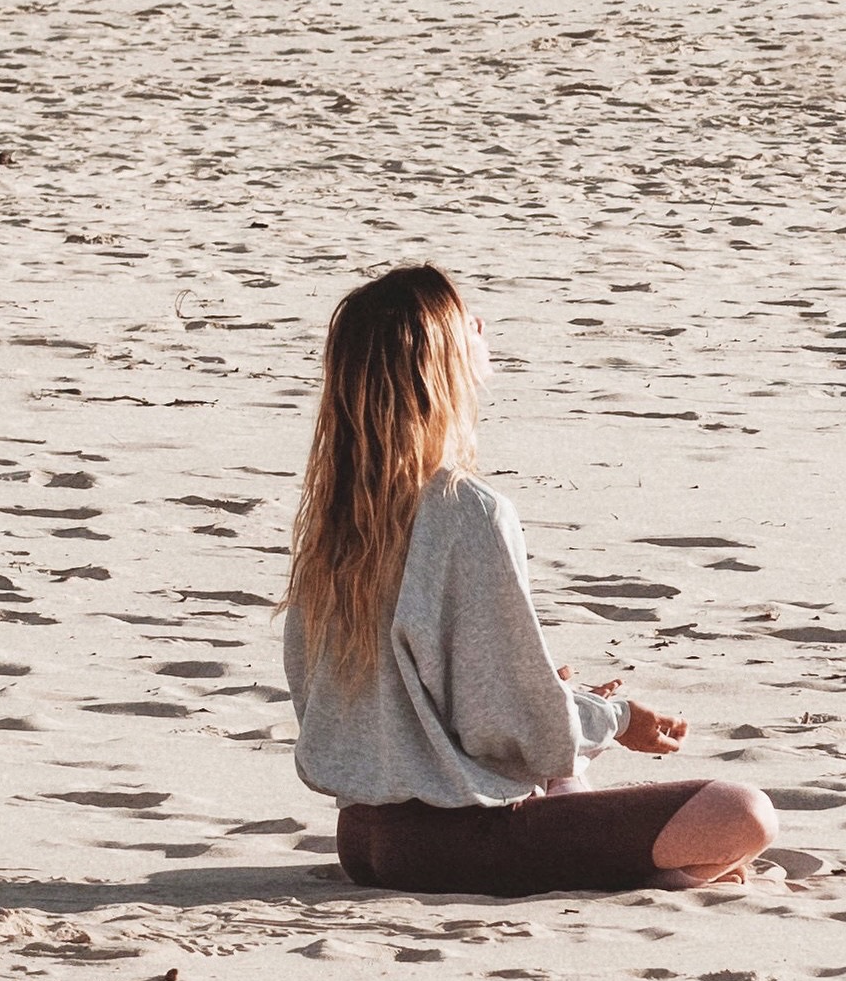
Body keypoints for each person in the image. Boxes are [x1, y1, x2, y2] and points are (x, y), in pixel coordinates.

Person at [281, 264, 776, 894]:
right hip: (458, 840)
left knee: (572, 741)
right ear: (439, 360)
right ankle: (662, 873)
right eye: (467, 322)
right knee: (741, 813)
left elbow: (343, 707)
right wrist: (613, 718)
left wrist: (558, 698)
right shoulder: (466, 511)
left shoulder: (334, 523)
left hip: (363, 839)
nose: (482, 326)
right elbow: (511, 727)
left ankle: (655, 870)